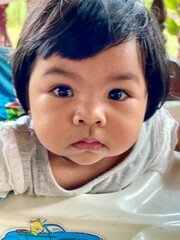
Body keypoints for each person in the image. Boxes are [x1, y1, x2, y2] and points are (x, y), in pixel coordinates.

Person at [0, 0, 180, 198]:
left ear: (148, 102)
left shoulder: (156, 134)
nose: (90, 115)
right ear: (25, 96)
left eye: (117, 94)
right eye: (62, 91)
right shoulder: (11, 157)